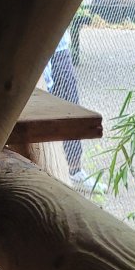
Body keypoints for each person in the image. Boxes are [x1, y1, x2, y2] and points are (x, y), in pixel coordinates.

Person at [41, 26, 93, 189]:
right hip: (41, 42)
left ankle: (74, 169)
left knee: (70, 101)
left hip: (59, 44)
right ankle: (49, 171)